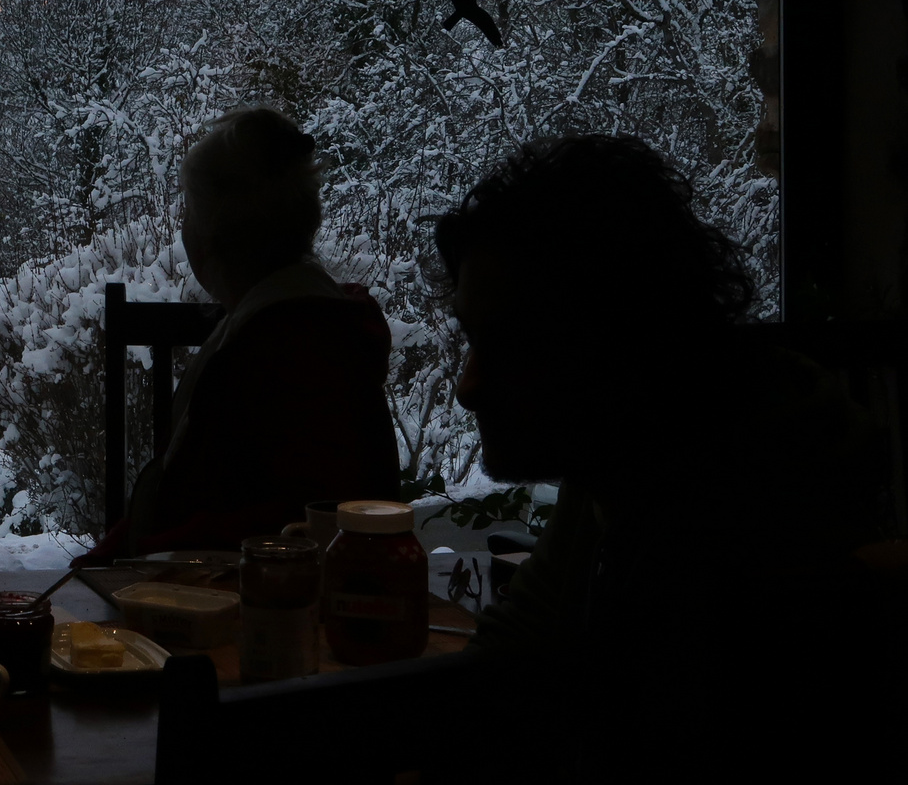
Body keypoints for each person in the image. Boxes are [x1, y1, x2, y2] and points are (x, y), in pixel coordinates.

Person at [431, 134, 894, 780]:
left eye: (510, 344)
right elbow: (509, 661)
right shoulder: (620, 470)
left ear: (615, 344)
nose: (467, 385)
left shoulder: (740, 570)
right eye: (472, 338)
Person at [76, 106, 398, 564]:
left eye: (188, 210)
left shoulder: (273, 350)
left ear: (210, 236)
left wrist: (132, 560)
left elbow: (244, 529)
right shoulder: (313, 324)